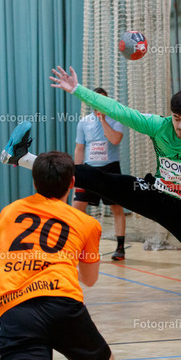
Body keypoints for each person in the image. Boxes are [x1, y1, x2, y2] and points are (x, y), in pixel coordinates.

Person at [1, 54, 181, 357]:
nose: (180, 126)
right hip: (154, 194)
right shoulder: (159, 126)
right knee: (95, 176)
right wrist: (78, 90)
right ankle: (21, 158)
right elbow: (120, 111)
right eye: (176, 118)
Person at [0, 151, 123, 360]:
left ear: (34, 182)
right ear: (72, 183)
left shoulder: (9, 212)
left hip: (17, 312)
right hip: (64, 306)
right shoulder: (87, 223)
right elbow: (89, 279)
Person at [74, 87, 127, 261]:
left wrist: (103, 119)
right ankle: (79, 244)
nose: (99, 104)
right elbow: (79, 148)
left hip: (110, 169)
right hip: (89, 169)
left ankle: (120, 248)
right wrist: (77, 171)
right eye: (96, 101)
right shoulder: (84, 122)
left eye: (102, 101)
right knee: (77, 207)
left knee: (116, 208)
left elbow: (115, 139)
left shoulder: (116, 119)